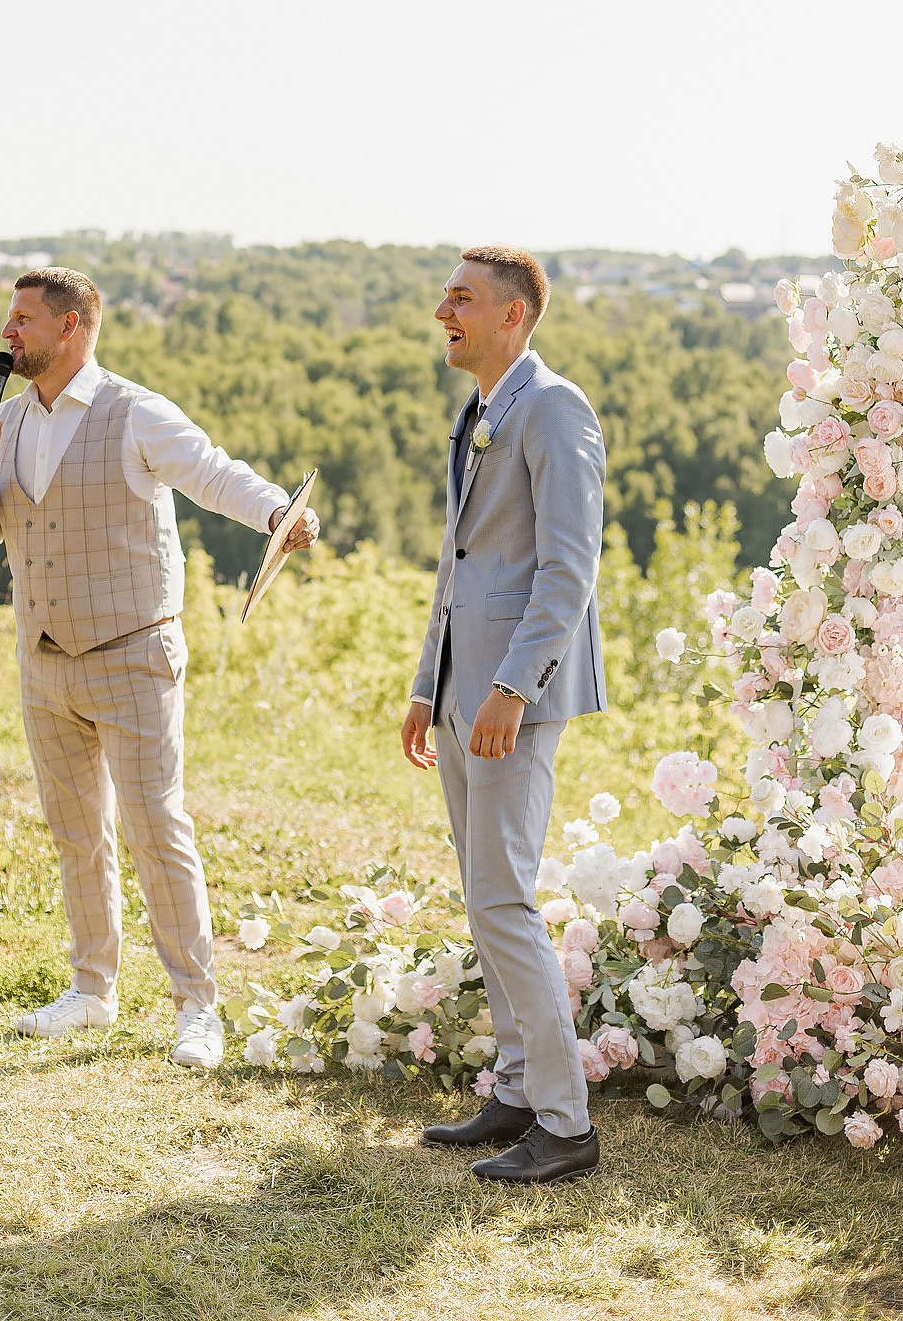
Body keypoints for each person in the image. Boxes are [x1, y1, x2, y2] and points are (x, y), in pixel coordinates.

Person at [0, 267, 318, 1067]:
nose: (8, 332)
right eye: (9, 318)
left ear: (70, 326)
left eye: (23, 319)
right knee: (76, 833)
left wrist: (276, 512)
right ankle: (92, 990)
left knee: (157, 828)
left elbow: (211, 470)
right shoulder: (7, 419)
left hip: (133, 656)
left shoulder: (134, 410)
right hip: (43, 662)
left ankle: (198, 1007)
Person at [401, 245, 606, 1184]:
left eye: (462, 298)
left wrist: (514, 688)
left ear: (513, 315)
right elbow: (460, 561)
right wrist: (426, 684)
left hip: (512, 696)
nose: (444, 311)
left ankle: (566, 1127)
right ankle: (518, 1090)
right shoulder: (480, 410)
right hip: (461, 687)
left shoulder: (555, 408)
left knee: (505, 898)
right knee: (482, 892)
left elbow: (568, 567)